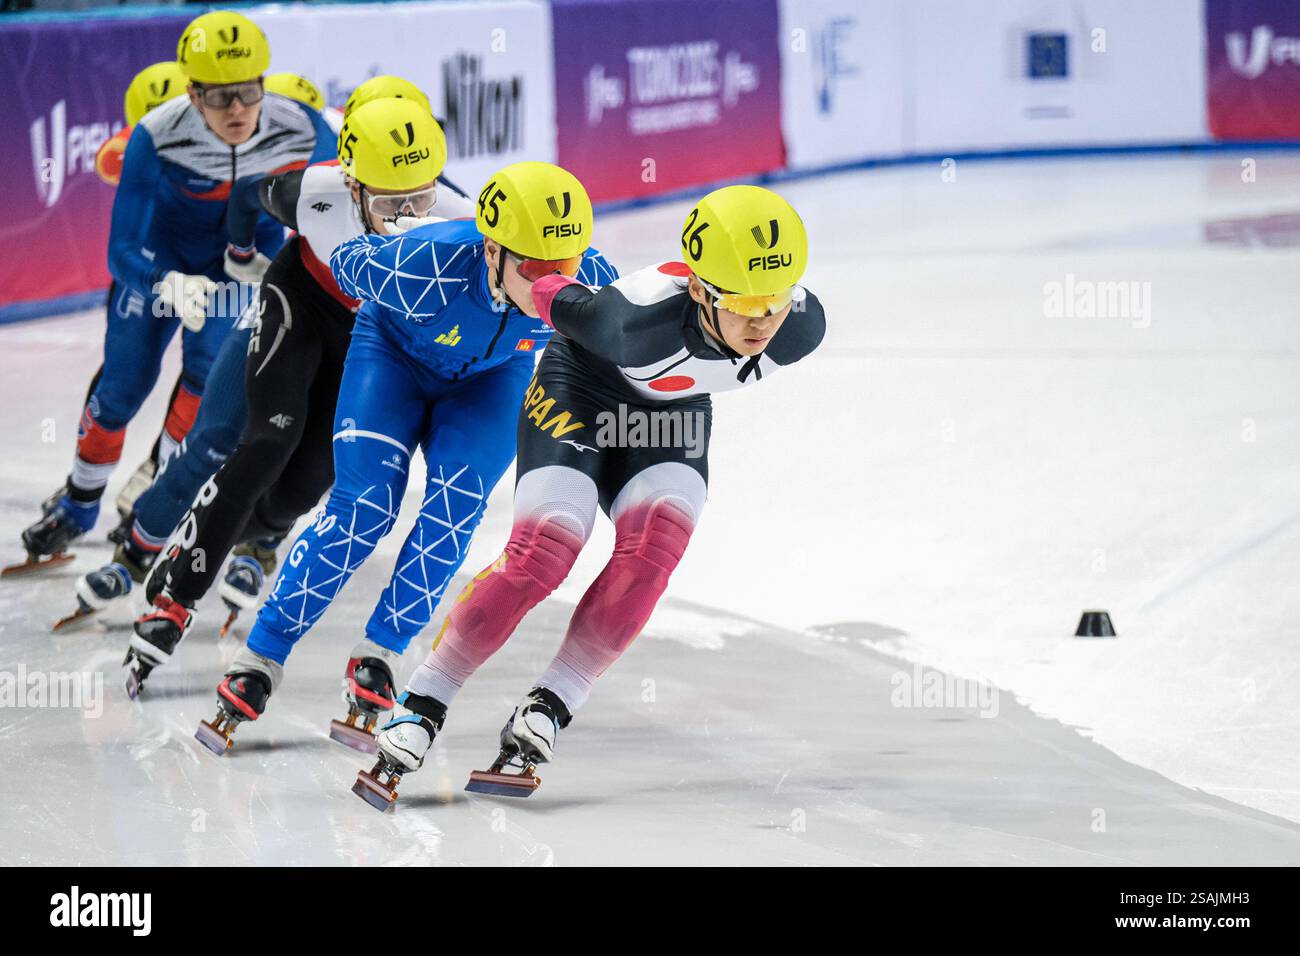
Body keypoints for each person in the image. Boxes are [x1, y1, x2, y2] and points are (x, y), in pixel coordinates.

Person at [355, 185, 825, 807]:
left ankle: (555, 699)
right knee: (545, 551)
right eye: (743, 304)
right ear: (697, 289)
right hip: (582, 388)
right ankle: (424, 700)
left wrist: (766, 306)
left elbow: (767, 319)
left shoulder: (801, 328)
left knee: (653, 555)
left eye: (776, 301)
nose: (763, 322)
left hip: (672, 418)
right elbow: (548, 290)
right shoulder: (632, 321)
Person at [192, 162, 618, 755]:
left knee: (454, 508)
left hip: (492, 381)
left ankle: (381, 654)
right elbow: (343, 262)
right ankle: (261, 654)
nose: (552, 284)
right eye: (533, 267)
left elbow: (638, 345)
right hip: (391, 360)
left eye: (564, 266)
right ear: (492, 249)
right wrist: (393, 236)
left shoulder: (595, 283)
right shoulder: (422, 263)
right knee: (364, 508)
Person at [122, 97, 460, 698]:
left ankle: (226, 533)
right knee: (268, 438)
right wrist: (242, 255)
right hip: (300, 306)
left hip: (370, 335)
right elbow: (249, 191)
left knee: (307, 484)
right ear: (352, 184)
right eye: (389, 203)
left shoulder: (456, 213)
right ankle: (177, 593)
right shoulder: (313, 191)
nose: (408, 217)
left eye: (420, 199)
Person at [9, 11, 334, 574]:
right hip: (164, 266)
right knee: (123, 387)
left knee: (208, 380)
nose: (236, 110)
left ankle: (158, 491)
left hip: (239, 268)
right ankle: (79, 503)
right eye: (217, 97)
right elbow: (121, 251)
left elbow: (333, 216)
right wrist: (163, 282)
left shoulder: (305, 126)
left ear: (265, 81)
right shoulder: (156, 133)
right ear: (191, 92)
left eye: (248, 92)